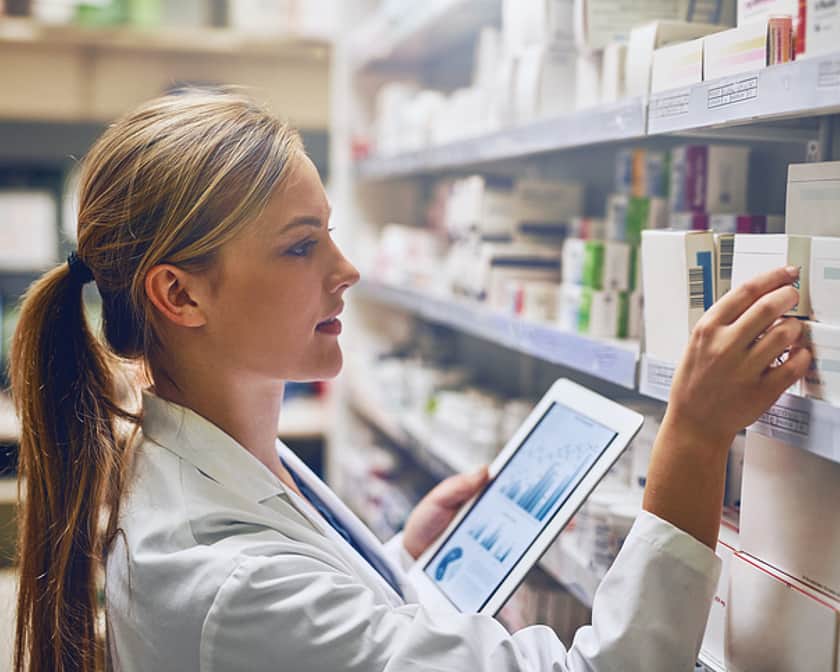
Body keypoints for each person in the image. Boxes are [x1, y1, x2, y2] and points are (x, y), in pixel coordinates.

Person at [9, 90, 810, 672]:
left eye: (329, 233)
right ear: (179, 294)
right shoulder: (228, 576)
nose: (346, 270)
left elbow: (314, 620)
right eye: (299, 247)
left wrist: (395, 560)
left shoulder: (221, 467)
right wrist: (695, 442)